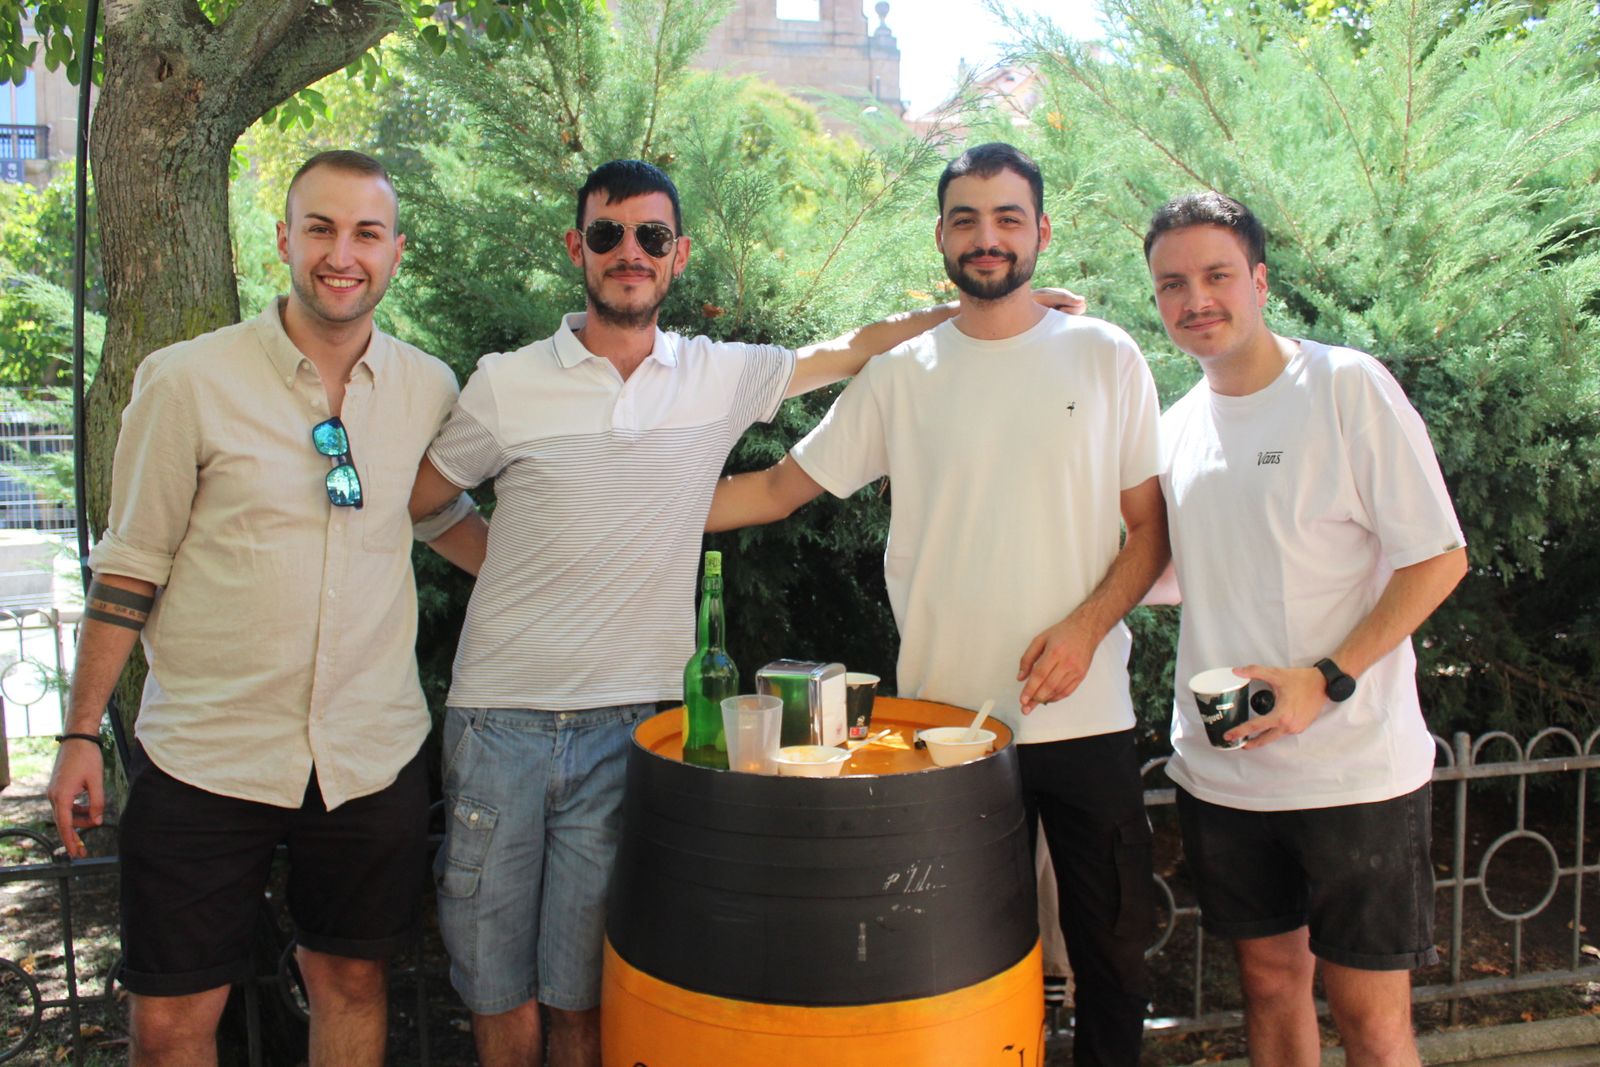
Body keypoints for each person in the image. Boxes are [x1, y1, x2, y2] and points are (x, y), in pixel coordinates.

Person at [405, 157, 1082, 1067]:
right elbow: (425, 501)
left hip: (637, 725)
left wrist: (982, 314)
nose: (629, 253)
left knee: (581, 992)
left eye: (651, 236)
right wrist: (507, 565)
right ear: (579, 248)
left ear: (677, 254)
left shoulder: (715, 375)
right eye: (607, 234)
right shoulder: (505, 382)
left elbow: (845, 351)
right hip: (499, 719)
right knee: (496, 992)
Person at [706, 142, 1167, 1067]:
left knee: (1111, 957)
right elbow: (773, 492)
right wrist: (621, 502)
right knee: (956, 967)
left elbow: (1152, 531)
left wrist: (1085, 627)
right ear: (942, 237)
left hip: (1086, 717)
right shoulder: (901, 373)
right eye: (966, 218)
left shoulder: (1107, 354)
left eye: (1007, 218)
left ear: (1041, 230)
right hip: (946, 728)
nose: (986, 237)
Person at [45, 150, 475, 1067]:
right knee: (170, 1023)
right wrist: (81, 732)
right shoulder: (187, 379)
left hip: (367, 752)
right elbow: (130, 564)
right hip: (208, 754)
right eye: (320, 227)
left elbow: (440, 516)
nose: (341, 253)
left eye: (366, 232)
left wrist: (569, 577)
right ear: (284, 238)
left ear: (395, 250)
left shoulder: (429, 387)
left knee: (351, 984)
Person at [1143, 191, 1468, 1067]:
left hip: (1354, 771)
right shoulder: (1173, 430)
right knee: (1270, 988)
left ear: (1259, 280)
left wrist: (1320, 679)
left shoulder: (1344, 386)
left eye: (1216, 275)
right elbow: (1164, 574)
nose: (1196, 299)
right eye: (1173, 284)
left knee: (1371, 1020)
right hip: (1225, 775)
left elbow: (1437, 557)